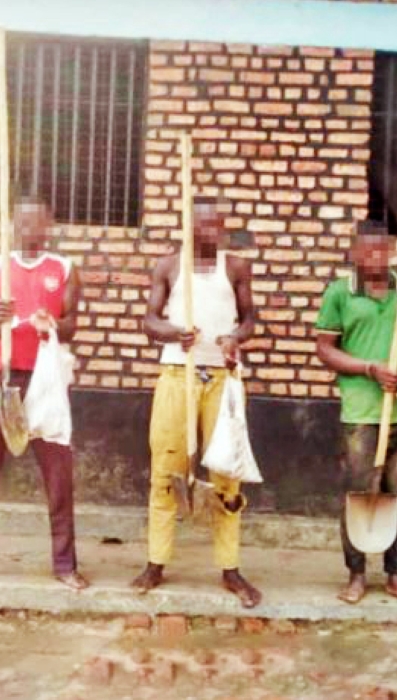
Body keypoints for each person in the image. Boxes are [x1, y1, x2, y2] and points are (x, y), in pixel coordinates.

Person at [0, 195, 88, 591]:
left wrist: (53, 324)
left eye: (37, 223)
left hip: (44, 381)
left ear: (49, 225)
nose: (29, 230)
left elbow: (73, 325)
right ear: (12, 226)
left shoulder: (64, 268)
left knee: (58, 473)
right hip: (0, 376)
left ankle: (64, 563)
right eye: (22, 223)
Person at [130, 196, 262, 608]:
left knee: (226, 473)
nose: (211, 233)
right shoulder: (169, 266)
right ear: (189, 226)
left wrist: (235, 339)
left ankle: (230, 568)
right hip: (176, 374)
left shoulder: (235, 267)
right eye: (203, 226)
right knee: (166, 469)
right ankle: (156, 562)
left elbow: (250, 319)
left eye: (217, 226)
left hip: (220, 378)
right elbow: (149, 321)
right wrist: (173, 333)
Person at [314, 220, 397, 609]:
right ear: (354, 253)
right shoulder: (339, 293)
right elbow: (325, 349)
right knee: (358, 494)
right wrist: (369, 369)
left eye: (382, 250)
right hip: (361, 412)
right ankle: (356, 575)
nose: (375, 258)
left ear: (393, 250)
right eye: (366, 251)